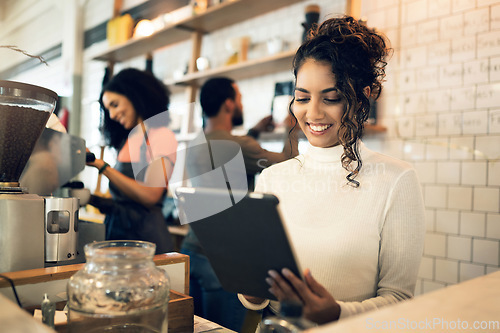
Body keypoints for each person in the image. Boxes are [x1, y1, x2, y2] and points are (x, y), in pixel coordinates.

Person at [240, 16, 425, 325]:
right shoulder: (273, 177)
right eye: (301, 98)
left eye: (332, 98)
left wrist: (337, 313)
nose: (312, 113)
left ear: (362, 96)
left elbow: (399, 300)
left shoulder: (396, 180)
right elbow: (254, 291)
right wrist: (254, 293)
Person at [180, 77, 300, 331]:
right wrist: (293, 128)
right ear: (228, 104)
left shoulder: (195, 144)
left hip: (192, 252)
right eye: (240, 99)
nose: (241, 105)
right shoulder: (241, 146)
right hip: (223, 263)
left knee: (195, 328)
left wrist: (254, 133)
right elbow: (288, 163)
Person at [86, 68, 177, 254]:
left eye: (115, 105)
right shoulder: (127, 141)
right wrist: (89, 198)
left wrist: (101, 166)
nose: (111, 115)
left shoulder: (161, 136)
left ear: (134, 96)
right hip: (117, 238)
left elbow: (149, 196)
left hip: (147, 242)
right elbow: (122, 202)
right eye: (107, 109)